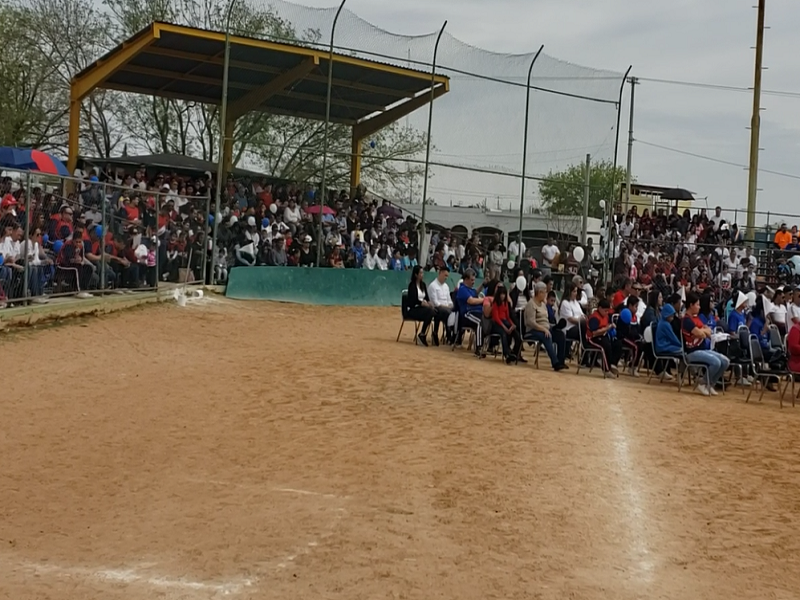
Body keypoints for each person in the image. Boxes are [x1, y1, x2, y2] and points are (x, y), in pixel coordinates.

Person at [682, 292, 731, 396]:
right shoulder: (687, 320)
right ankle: (702, 383)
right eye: (697, 305)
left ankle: (710, 384)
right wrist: (702, 331)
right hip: (692, 352)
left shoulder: (696, 318)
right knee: (716, 362)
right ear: (691, 305)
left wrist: (701, 331)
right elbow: (701, 334)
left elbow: (708, 332)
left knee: (725, 361)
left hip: (703, 349)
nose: (699, 307)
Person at [523, 281, 568, 371]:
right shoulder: (531, 304)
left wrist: (550, 327)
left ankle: (561, 361)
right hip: (533, 330)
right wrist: (543, 329)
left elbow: (546, 319)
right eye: (544, 292)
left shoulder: (543, 304)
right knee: (546, 335)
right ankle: (555, 362)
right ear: (539, 292)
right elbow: (531, 322)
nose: (545, 294)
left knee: (560, 335)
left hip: (546, 328)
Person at [587, 298, 622, 376]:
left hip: (604, 336)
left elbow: (607, 325)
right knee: (606, 345)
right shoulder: (594, 317)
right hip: (593, 338)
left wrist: (611, 326)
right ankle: (606, 370)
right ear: (599, 308)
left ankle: (612, 363)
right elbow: (594, 332)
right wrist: (606, 328)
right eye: (605, 311)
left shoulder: (606, 316)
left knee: (618, 343)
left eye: (607, 311)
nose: (607, 313)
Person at [490, 284, 523, 364]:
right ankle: (506, 354)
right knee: (503, 334)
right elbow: (496, 318)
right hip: (497, 324)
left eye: (504, 294)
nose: (502, 296)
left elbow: (507, 317)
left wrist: (512, 324)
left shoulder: (506, 303)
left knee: (517, 336)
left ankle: (514, 353)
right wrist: (505, 327)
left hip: (505, 322)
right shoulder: (495, 304)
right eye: (501, 294)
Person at [455, 268, 484, 355]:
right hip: (467, 314)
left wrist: (483, 284)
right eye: (471, 280)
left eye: (474, 280)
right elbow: (471, 301)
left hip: (476, 312)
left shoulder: (470, 289)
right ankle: (479, 348)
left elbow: (475, 293)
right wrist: (484, 300)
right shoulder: (462, 289)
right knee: (480, 322)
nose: (473, 282)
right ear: (466, 279)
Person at [405, 265, 434, 346]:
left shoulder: (423, 285)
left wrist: (429, 302)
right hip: (414, 309)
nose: (422, 275)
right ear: (416, 275)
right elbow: (412, 300)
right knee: (430, 312)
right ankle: (422, 334)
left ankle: (425, 334)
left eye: (422, 273)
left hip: (423, 308)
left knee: (433, 311)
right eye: (420, 273)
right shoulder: (412, 285)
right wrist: (421, 303)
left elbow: (427, 297)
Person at [427, 265, 453, 346]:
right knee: (447, 313)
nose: (446, 278)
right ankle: (448, 334)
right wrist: (447, 307)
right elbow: (435, 303)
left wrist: (450, 306)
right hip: (437, 309)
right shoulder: (433, 286)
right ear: (440, 273)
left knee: (454, 312)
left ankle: (453, 334)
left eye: (447, 276)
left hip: (446, 308)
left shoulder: (446, 286)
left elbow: (449, 300)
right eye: (445, 275)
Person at [617, 295, 643, 376]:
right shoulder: (624, 314)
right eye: (635, 306)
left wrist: (639, 336)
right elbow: (626, 331)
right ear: (630, 306)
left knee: (641, 345)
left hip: (632, 338)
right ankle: (632, 367)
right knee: (635, 347)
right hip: (623, 337)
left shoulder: (634, 316)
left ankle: (633, 364)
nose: (637, 309)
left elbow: (636, 329)